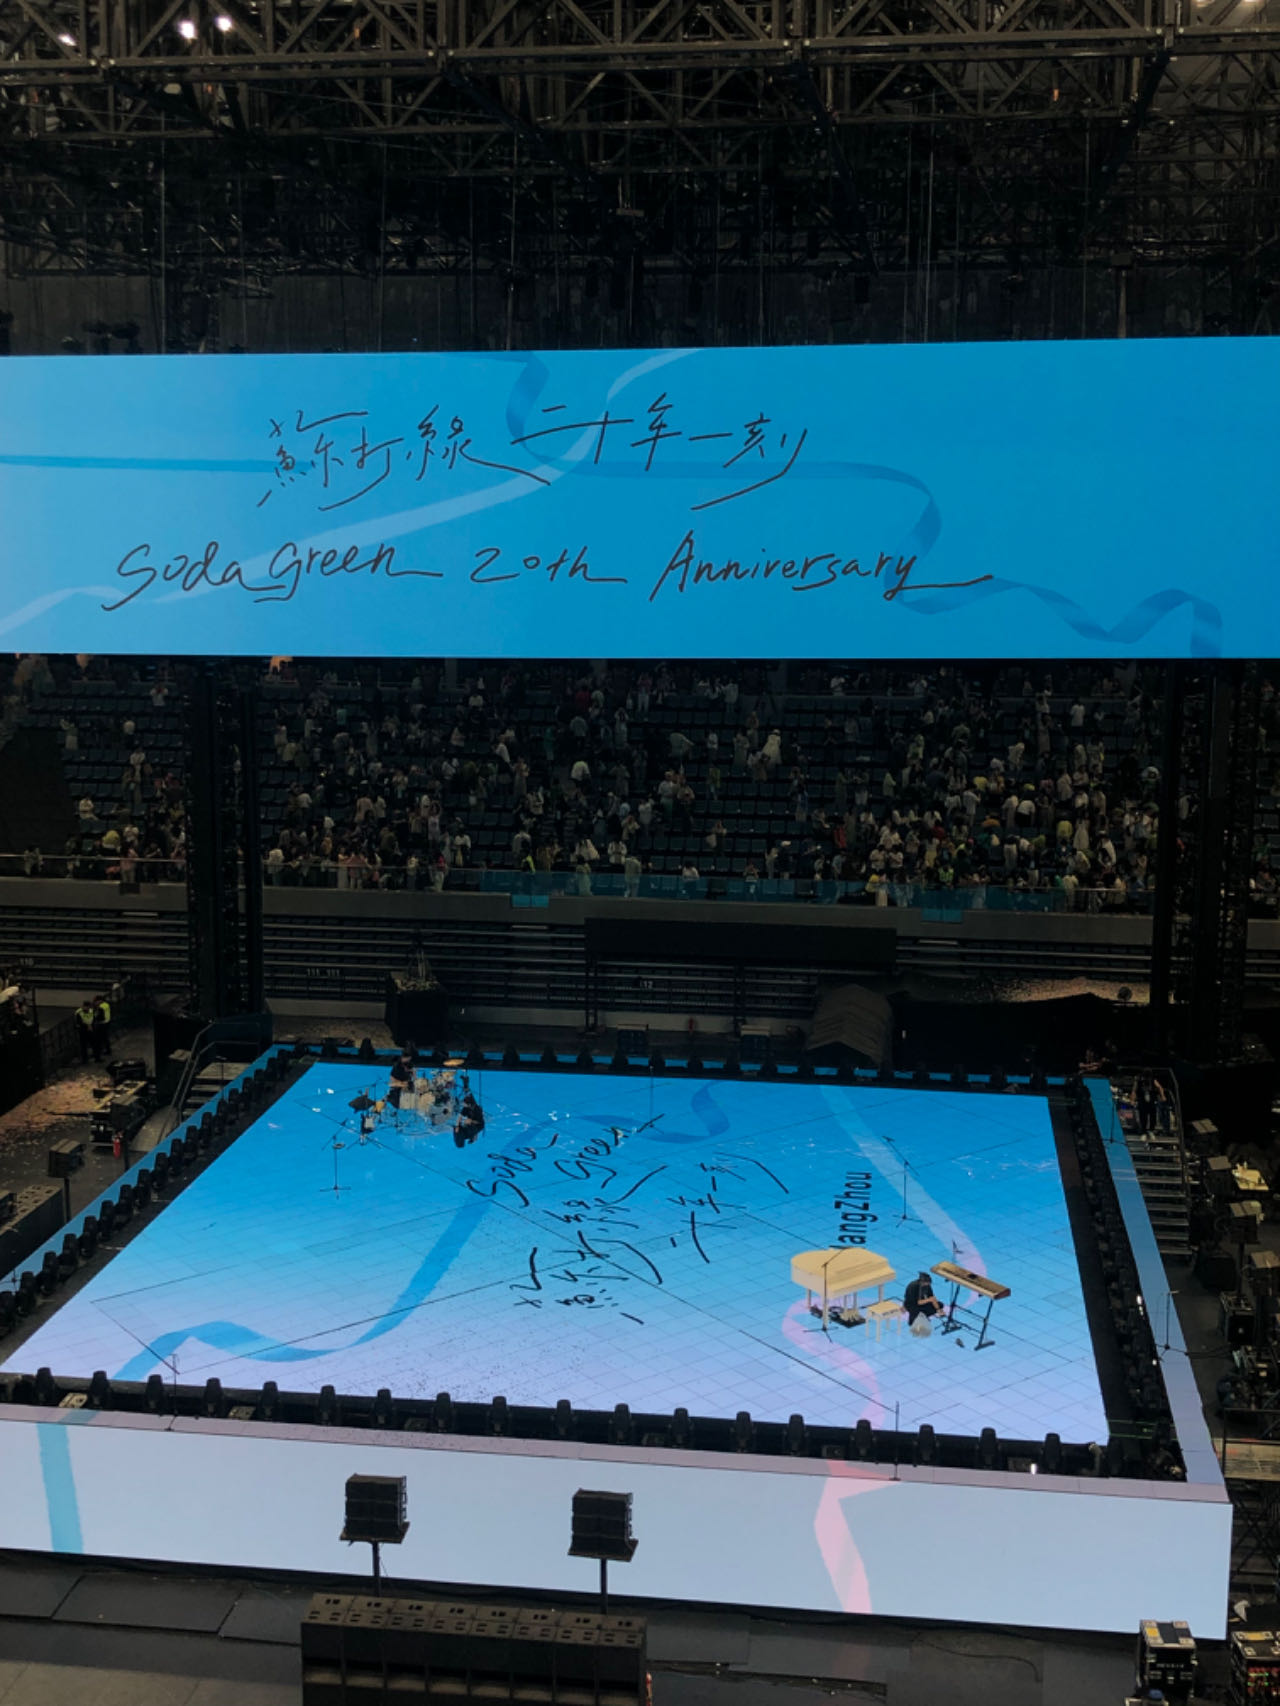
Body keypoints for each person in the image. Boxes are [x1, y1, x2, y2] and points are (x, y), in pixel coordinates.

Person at [74, 998, 95, 1065]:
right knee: (83, 1045)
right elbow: (79, 1022)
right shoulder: (79, 1012)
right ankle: (84, 1059)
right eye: (86, 1007)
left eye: (89, 1007)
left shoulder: (91, 1010)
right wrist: (87, 1026)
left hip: (90, 1029)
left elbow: (93, 1018)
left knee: (93, 1042)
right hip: (82, 1030)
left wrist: (91, 1026)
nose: (87, 1008)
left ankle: (95, 1055)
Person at [91, 992, 112, 1061]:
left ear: (99, 1000)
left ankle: (98, 1054)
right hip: (107, 1022)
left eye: (96, 1001)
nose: (95, 1002)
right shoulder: (106, 1004)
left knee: (99, 1039)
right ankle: (108, 1050)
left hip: (101, 1024)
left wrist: (95, 1009)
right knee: (105, 1037)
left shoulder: (100, 1007)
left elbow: (98, 1016)